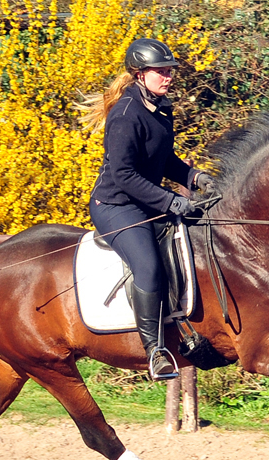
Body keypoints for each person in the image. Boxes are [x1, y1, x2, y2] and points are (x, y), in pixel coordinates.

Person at [79, 38, 215, 380]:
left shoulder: (161, 107)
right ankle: (155, 351)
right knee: (149, 267)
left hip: (146, 202)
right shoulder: (126, 115)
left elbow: (163, 159)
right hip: (116, 205)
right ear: (140, 74)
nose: (168, 77)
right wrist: (170, 200)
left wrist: (196, 177)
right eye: (160, 71)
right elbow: (123, 175)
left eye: (170, 71)